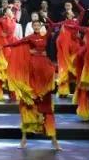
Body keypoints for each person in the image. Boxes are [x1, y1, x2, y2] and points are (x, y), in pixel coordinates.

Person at [4, 20, 61, 150]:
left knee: (46, 106)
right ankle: (23, 139)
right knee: (28, 104)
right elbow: (17, 43)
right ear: (32, 27)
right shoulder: (30, 37)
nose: (36, 27)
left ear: (41, 27)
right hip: (32, 69)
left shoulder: (45, 36)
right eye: (34, 25)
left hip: (44, 68)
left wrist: (46, 19)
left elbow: (52, 26)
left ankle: (54, 140)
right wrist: (5, 46)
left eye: (38, 25)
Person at [51, 1, 84, 98]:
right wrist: (46, 18)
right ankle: (63, 91)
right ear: (67, 16)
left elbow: (83, 11)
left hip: (75, 48)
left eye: (71, 12)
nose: (71, 13)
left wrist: (77, 3)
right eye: (69, 13)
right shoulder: (64, 23)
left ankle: (80, 91)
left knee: (76, 68)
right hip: (65, 49)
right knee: (64, 68)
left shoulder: (77, 21)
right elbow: (53, 24)